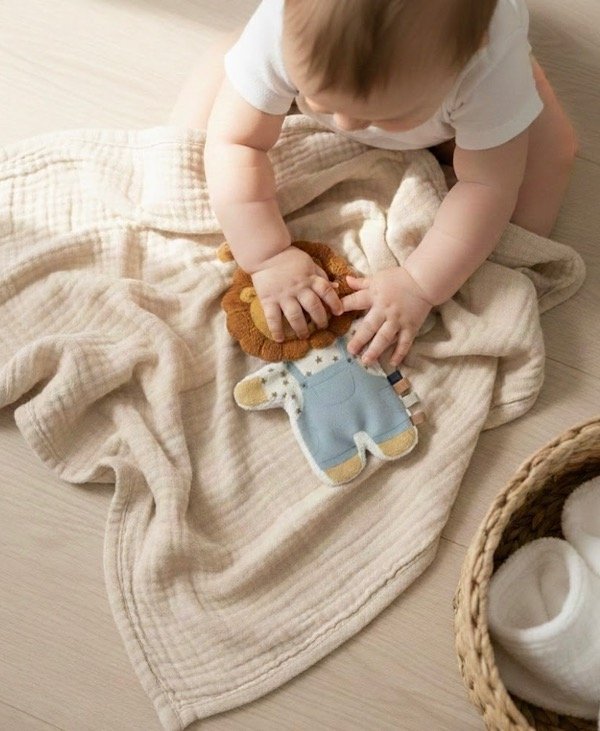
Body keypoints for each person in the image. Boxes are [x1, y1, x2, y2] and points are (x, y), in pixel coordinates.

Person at [170, 0, 577, 367]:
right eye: (321, 102)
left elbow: (486, 186)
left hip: (466, 101)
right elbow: (237, 141)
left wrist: (419, 284)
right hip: (335, 63)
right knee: (220, 77)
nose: (346, 125)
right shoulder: (278, 28)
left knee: (549, 156)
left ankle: (493, 268)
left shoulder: (489, 65)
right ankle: (171, 168)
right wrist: (266, 256)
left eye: (385, 117)